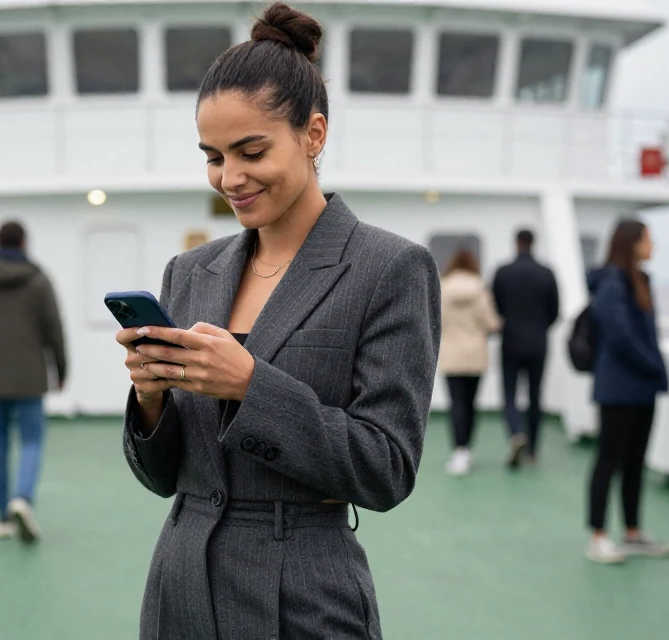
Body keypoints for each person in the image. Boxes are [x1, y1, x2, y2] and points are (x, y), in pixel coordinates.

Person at [116, 4, 440, 637]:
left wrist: (249, 385)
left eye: (251, 150)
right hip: (179, 583)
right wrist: (150, 399)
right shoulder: (190, 272)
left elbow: (387, 467)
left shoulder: (389, 268)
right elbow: (163, 479)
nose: (229, 178)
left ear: (313, 134)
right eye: (213, 156)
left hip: (303, 594)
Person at [0, 220, 67, 542]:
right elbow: (53, 327)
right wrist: (60, 368)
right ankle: (23, 497)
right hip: (30, 375)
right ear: (23, 243)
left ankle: (3, 517)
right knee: (32, 440)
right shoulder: (38, 279)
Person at [584, 219, 669, 564]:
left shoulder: (640, 280)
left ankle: (633, 532)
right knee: (608, 460)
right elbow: (621, 335)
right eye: (649, 240)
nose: (654, 246)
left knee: (635, 462)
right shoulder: (612, 282)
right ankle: (598, 535)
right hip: (618, 387)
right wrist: (655, 364)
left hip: (641, 387)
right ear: (632, 243)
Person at [491, 229, 558, 467]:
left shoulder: (503, 272)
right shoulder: (546, 273)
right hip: (538, 342)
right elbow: (555, 311)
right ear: (533, 242)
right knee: (534, 395)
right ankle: (532, 451)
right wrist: (540, 327)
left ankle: (516, 433)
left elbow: (496, 305)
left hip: (510, 341)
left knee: (509, 393)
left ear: (516, 243)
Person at [439, 248, 501, 476]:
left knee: (456, 404)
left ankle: (458, 451)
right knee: (471, 404)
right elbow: (491, 323)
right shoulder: (480, 288)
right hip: (476, 354)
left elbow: (438, 321)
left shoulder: (443, 288)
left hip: (452, 353)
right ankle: (467, 449)